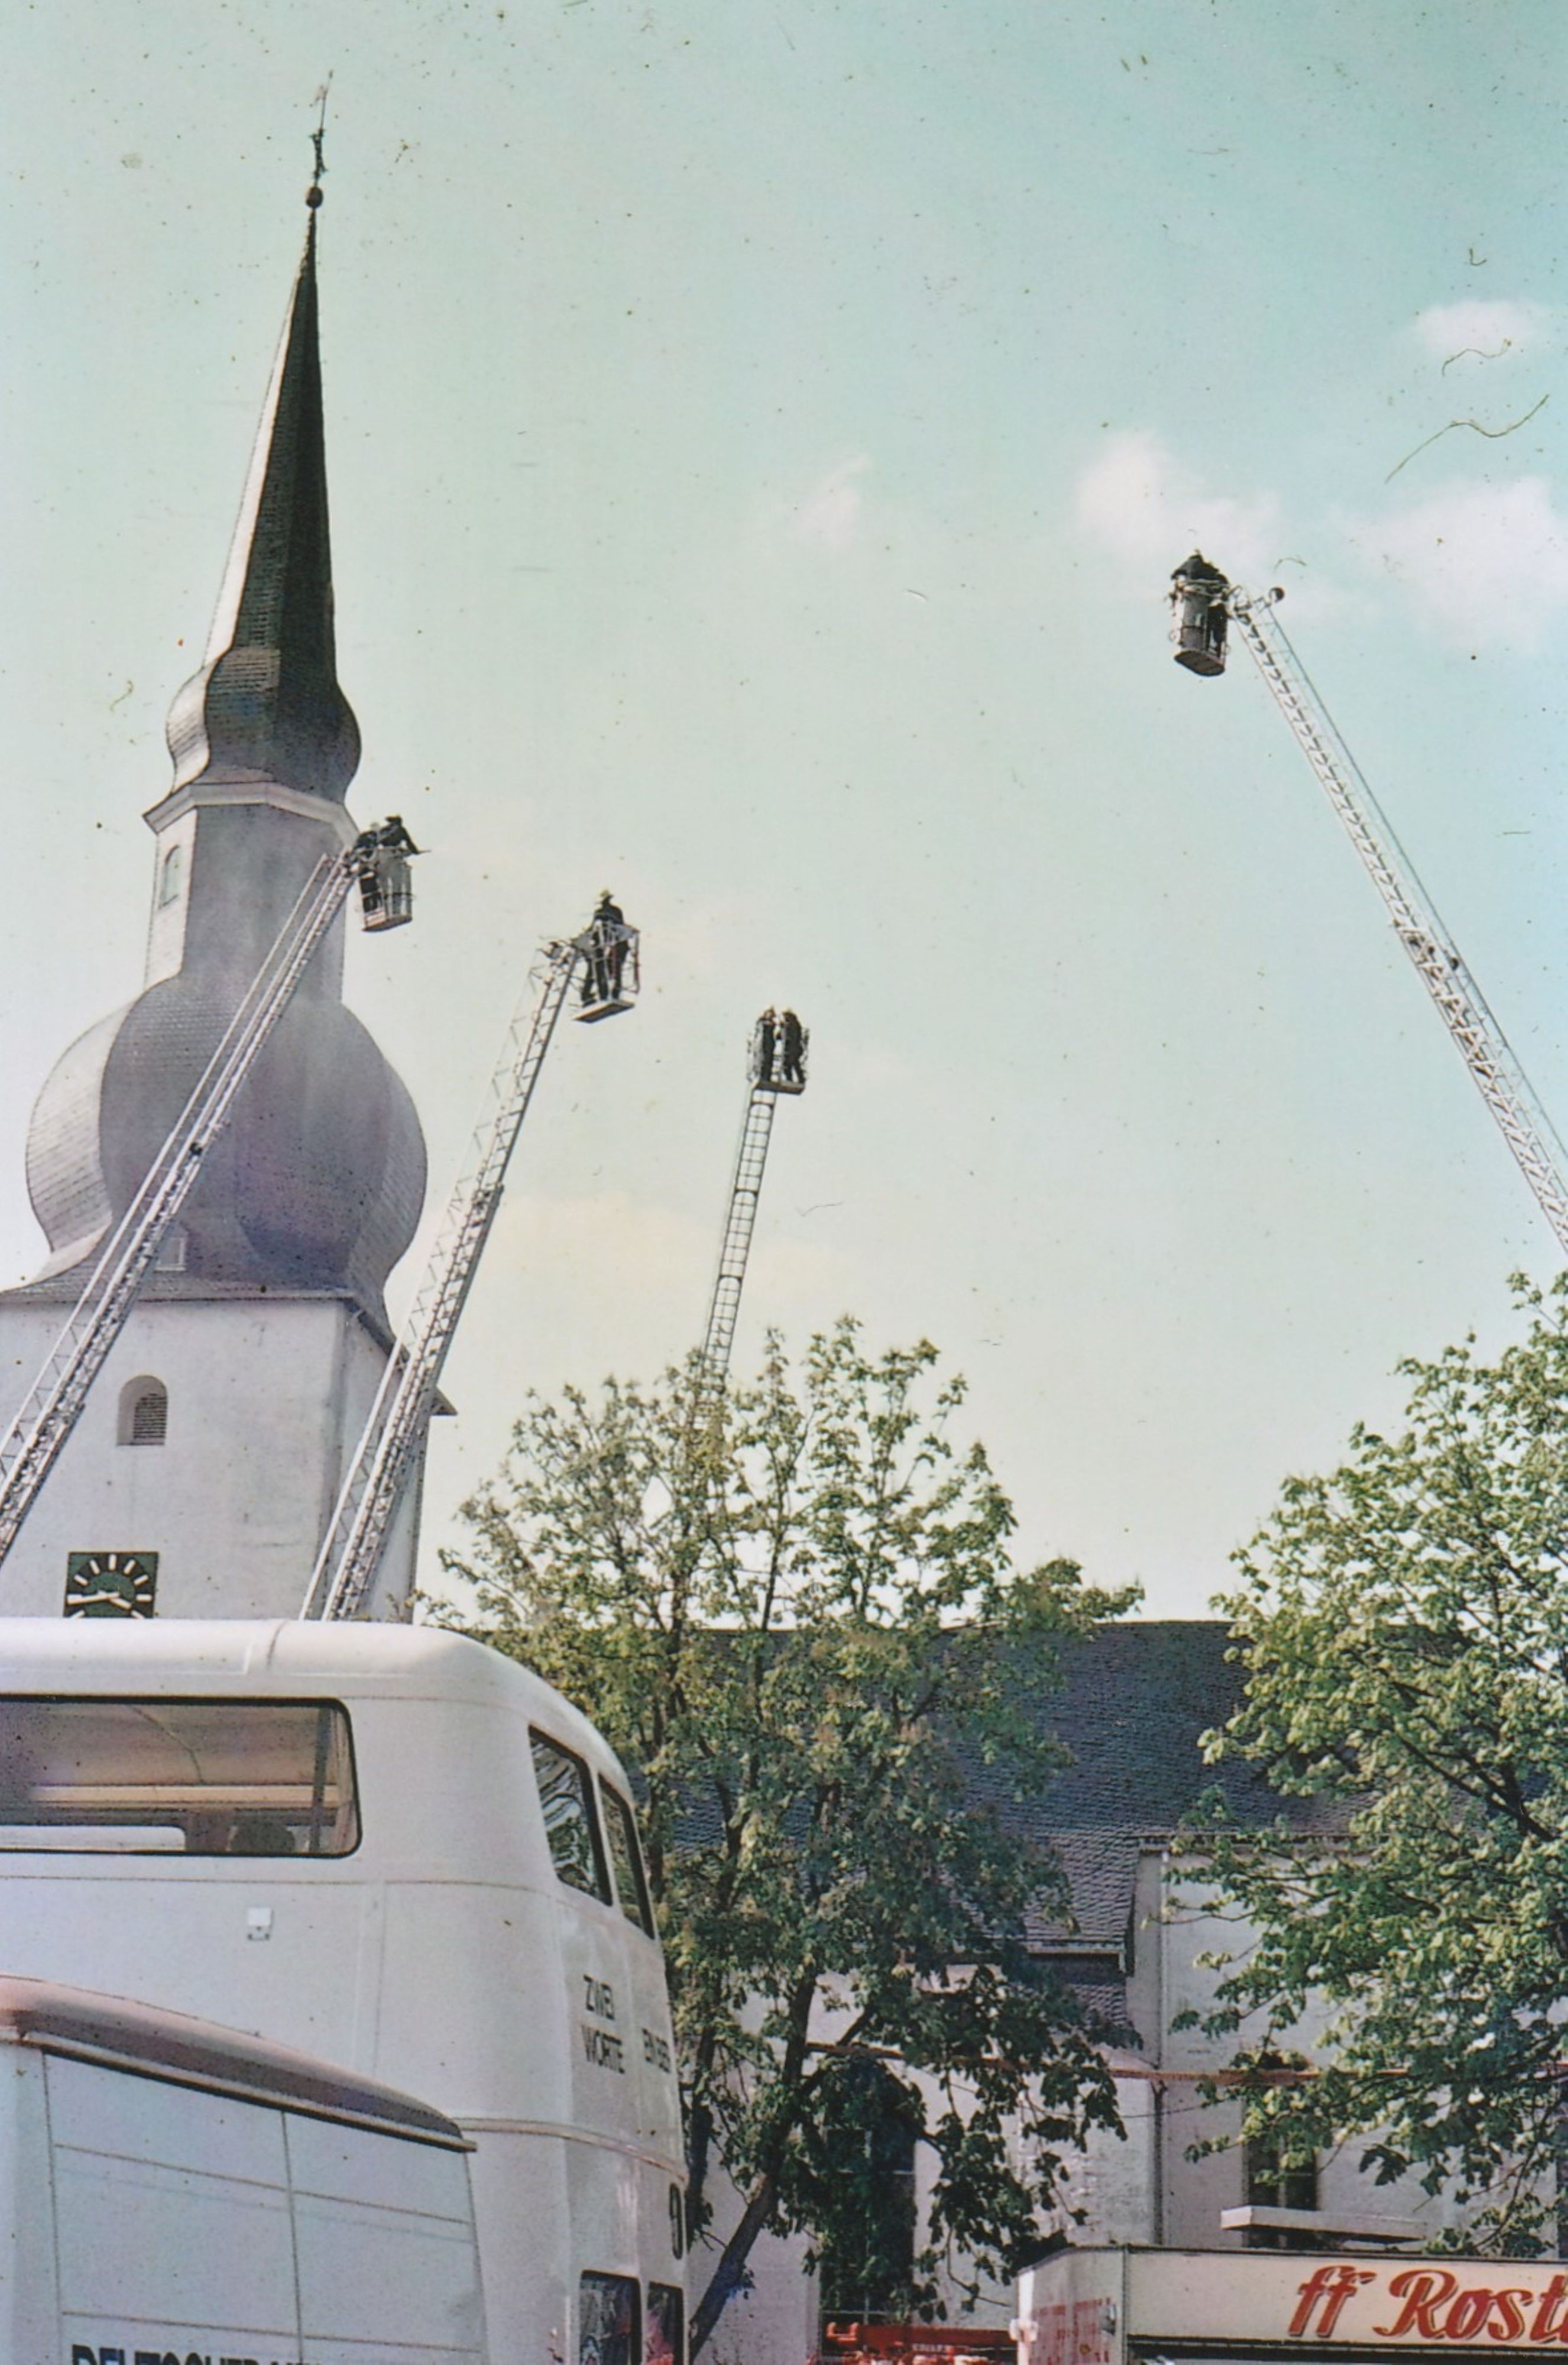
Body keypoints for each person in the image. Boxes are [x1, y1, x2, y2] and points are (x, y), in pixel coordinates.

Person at [780, 1009, 805, 1087]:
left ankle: (791, 1079)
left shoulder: (792, 1024)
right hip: (794, 1048)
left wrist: (783, 1027)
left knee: (789, 1064)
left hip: (792, 1048)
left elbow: (790, 1036)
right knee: (794, 1064)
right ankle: (800, 1079)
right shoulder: (795, 1024)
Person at [756, 1008, 777, 1086]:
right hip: (764, 1042)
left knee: (769, 1060)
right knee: (763, 1059)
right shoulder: (762, 1022)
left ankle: (767, 1077)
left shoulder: (772, 1023)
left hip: (770, 1042)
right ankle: (762, 1076)